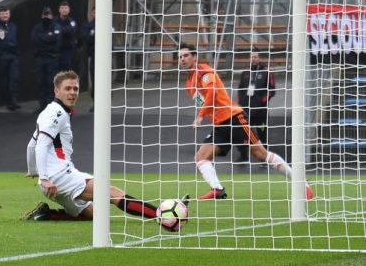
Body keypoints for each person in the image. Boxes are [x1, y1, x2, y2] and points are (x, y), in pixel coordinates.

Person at [22, 70, 189, 221]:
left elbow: (32, 144)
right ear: (56, 91)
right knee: (111, 192)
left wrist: (34, 171)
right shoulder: (56, 113)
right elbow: (41, 144)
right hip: (60, 178)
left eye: (75, 89)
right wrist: (43, 178)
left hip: (55, 180)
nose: (72, 93)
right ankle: (164, 215)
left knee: (96, 215)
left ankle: (47, 214)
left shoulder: (54, 112)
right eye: (67, 89)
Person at [179, 44, 313, 200]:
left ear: (195, 57)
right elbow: (205, 102)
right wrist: (206, 114)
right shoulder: (189, 84)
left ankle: (301, 183)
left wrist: (200, 116)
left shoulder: (204, 71)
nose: (182, 59)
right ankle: (217, 189)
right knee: (201, 156)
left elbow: (212, 93)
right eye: (180, 57)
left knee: (260, 154)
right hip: (220, 125)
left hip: (234, 118)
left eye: (186, 55)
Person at [236, 52, 276, 162]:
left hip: (260, 111)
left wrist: (261, 102)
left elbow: (271, 90)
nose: (253, 59)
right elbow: (239, 89)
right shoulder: (244, 73)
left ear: (259, 58)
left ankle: (264, 157)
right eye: (251, 57)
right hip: (246, 110)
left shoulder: (266, 72)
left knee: (262, 133)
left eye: (255, 57)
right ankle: (243, 155)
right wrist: (241, 103)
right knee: (243, 132)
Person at [30, 6, 62, 113]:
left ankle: (51, 105)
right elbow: (34, 40)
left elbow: (56, 42)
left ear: (51, 15)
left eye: (48, 15)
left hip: (51, 58)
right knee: (41, 82)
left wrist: (43, 38)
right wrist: (48, 38)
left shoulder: (56, 26)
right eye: (44, 15)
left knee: (51, 82)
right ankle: (42, 105)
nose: (46, 16)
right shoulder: (37, 27)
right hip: (40, 58)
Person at [54, 0, 78, 72]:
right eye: (62, 8)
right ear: (59, 10)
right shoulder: (54, 21)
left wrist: (60, 30)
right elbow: (54, 32)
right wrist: (65, 29)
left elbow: (72, 30)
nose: (64, 10)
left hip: (67, 51)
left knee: (66, 72)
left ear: (69, 10)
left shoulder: (72, 21)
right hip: (56, 51)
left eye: (66, 8)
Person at [82, 6, 95, 112]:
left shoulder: (107, 24)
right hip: (94, 55)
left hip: (106, 57)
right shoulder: (88, 26)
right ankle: (95, 102)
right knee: (95, 80)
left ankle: (106, 102)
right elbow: (86, 39)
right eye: (94, 12)